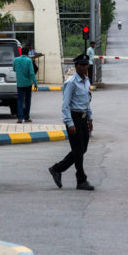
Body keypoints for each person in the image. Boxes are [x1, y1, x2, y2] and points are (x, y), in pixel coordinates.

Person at [49, 54, 95, 191]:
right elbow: (65, 105)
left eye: (86, 64)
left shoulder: (86, 80)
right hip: (74, 118)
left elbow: (87, 101)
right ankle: (81, 180)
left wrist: (90, 119)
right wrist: (70, 123)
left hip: (83, 117)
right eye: (81, 65)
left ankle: (57, 169)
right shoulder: (71, 82)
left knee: (82, 149)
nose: (84, 67)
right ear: (76, 66)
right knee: (78, 151)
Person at [12, 47, 36, 123]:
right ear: (28, 53)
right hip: (28, 84)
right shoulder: (29, 60)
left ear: (21, 52)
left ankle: (19, 118)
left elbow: (14, 69)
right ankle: (26, 117)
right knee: (27, 100)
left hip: (20, 84)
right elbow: (32, 73)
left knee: (20, 100)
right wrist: (35, 83)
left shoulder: (15, 60)